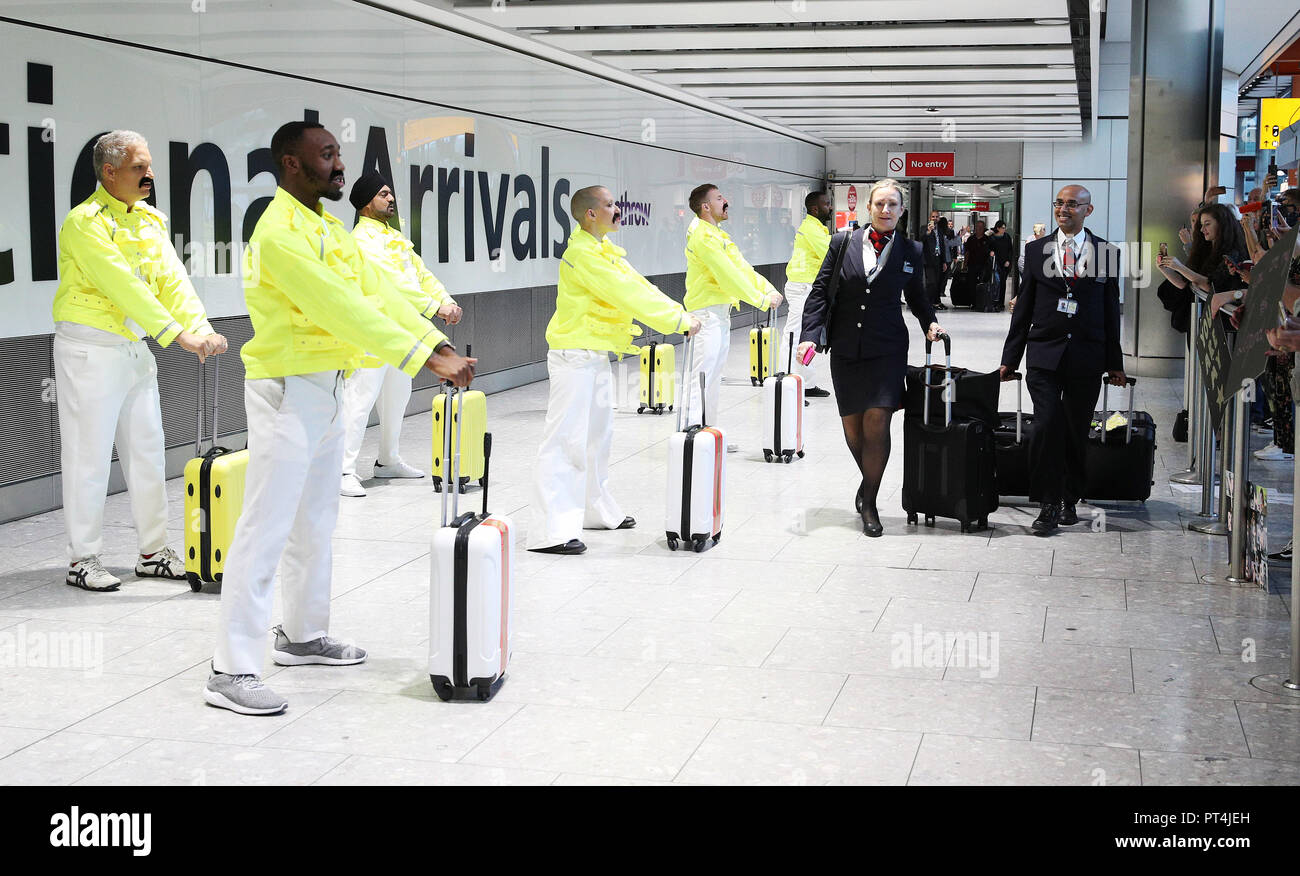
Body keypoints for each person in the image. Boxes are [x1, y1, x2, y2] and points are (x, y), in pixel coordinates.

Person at [206, 122, 476, 715]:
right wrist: (424, 356)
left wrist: (435, 341)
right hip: (287, 391)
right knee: (266, 527)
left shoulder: (330, 227)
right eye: (326, 155)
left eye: (338, 154)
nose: (339, 165)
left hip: (328, 386)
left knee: (316, 520)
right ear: (291, 163)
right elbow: (341, 305)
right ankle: (232, 667)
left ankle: (301, 635)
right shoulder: (277, 233)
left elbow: (378, 291)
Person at [53, 130, 228, 592]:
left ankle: (153, 552)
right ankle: (82, 559)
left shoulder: (151, 220)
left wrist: (202, 326)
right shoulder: (84, 222)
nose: (149, 174)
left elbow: (172, 280)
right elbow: (122, 286)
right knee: (88, 457)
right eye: (138, 167)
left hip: (133, 347)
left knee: (148, 453)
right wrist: (178, 335)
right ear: (109, 172)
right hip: (89, 348)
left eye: (149, 165)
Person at [529, 186, 701, 555]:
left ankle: (595, 510)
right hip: (573, 355)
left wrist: (679, 313)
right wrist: (677, 319)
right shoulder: (581, 254)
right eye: (609, 204)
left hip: (594, 355)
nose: (617, 208)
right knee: (565, 440)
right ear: (590, 213)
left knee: (596, 437)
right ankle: (551, 531)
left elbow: (640, 286)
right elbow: (625, 292)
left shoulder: (604, 250)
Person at [798, 179, 944, 537]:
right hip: (846, 348)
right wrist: (809, 336)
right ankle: (868, 484)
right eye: (879, 204)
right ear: (869, 208)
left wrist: (930, 323)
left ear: (901, 210)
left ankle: (871, 500)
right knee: (853, 431)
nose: (885, 210)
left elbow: (918, 295)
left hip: (888, 349)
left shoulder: (911, 249)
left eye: (893, 204)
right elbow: (820, 291)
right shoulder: (842, 242)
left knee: (877, 421)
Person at [1000, 184, 1126, 535]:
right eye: (1059, 203)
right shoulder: (1036, 249)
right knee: (1046, 425)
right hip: (1044, 353)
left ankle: (1070, 497)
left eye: (1072, 204)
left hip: (1086, 354)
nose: (1064, 209)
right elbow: (1023, 306)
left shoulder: (1105, 252)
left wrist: (1114, 361)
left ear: (1089, 210)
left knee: (1074, 429)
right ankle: (1047, 503)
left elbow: (1109, 310)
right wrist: (1010, 357)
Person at [340, 172, 464, 497]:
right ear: (367, 202)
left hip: (398, 332)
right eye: (383, 194)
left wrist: (445, 299)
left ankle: (387, 460)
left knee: (397, 395)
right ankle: (343, 469)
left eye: (390, 193)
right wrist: (436, 307)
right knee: (360, 398)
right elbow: (392, 282)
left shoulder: (393, 236)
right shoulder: (362, 240)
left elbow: (421, 274)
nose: (390, 198)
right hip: (370, 331)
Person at [683, 183, 782, 448]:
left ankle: (708, 435)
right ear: (706, 207)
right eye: (719, 198)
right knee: (702, 377)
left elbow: (742, 268)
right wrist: (761, 300)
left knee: (712, 376)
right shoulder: (703, 237)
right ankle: (693, 437)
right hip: (705, 315)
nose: (725, 201)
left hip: (719, 314)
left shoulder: (717, 235)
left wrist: (768, 288)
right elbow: (728, 276)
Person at [781, 191, 833, 398]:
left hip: (810, 288)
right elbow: (830, 252)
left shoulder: (817, 227)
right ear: (814, 208)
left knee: (809, 337)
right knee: (794, 337)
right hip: (802, 287)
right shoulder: (811, 228)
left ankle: (807, 383)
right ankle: (787, 385)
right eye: (827, 204)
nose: (830, 207)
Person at [1011, 223, 1049, 313]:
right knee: (1027, 284)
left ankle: (1015, 301)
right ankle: (1016, 302)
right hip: (1025, 264)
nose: (1045, 231)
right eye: (1043, 229)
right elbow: (1030, 254)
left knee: (1027, 284)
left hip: (1032, 265)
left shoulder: (1043, 240)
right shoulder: (1031, 239)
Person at [922, 213, 952, 312]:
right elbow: (921, 240)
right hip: (928, 259)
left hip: (938, 259)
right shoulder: (924, 228)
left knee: (938, 282)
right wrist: (928, 231)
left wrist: (944, 261)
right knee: (931, 282)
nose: (935, 219)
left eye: (936, 217)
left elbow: (942, 245)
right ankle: (928, 303)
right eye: (933, 217)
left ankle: (935, 301)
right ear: (929, 218)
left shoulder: (939, 230)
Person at [989, 220, 1015, 310]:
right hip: (995, 263)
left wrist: (1008, 260)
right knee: (996, 281)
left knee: (1003, 282)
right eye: (1002, 228)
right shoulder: (992, 237)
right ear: (998, 228)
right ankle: (994, 301)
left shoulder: (1006, 237)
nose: (1004, 230)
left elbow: (1010, 250)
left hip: (1005, 263)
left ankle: (1001, 302)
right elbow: (988, 246)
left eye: (1005, 228)